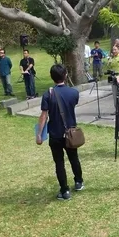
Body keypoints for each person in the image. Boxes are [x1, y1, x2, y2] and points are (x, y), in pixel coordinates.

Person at [36, 64, 84, 200]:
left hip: (55, 134)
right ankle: (79, 182)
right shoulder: (74, 93)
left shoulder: (48, 94)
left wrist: (39, 134)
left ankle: (64, 191)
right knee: (74, 158)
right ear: (66, 75)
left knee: (59, 163)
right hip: (70, 133)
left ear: (52, 77)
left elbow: (44, 116)